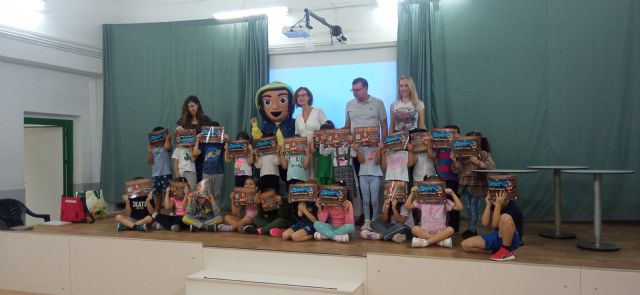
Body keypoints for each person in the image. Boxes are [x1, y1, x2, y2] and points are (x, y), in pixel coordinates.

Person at [451, 130, 495, 239]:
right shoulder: (462, 154)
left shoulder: (483, 154)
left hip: (477, 186)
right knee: (468, 208)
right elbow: (456, 170)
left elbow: (492, 167)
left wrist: (478, 162)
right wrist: (455, 160)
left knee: (473, 208)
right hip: (465, 185)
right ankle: (471, 228)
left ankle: (472, 230)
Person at [461, 191, 523, 261]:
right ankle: (499, 250)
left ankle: (506, 250)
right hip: (498, 236)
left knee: (505, 217)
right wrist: (488, 204)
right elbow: (485, 223)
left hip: (511, 239)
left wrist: (498, 205)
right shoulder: (495, 205)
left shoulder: (513, 208)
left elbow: (495, 224)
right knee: (465, 245)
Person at [407, 179, 463, 248]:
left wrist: (452, 193)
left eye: (436, 188)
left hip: (440, 232)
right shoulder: (422, 200)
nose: (433, 191)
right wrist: (412, 193)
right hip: (425, 232)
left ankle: (426, 242)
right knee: (414, 229)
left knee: (450, 230)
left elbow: (460, 207)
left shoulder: (444, 202)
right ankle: (440, 241)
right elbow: (408, 206)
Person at [175, 95, 215, 182]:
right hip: (189, 159)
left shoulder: (206, 120)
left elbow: (213, 135)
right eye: (188, 107)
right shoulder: (183, 121)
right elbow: (178, 137)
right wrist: (178, 129)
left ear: (198, 105)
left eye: (192, 106)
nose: (190, 109)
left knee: (202, 183)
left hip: (203, 156)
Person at [432, 124, 461, 232]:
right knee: (441, 205)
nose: (451, 135)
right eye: (448, 133)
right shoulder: (440, 144)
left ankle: (454, 228)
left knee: (454, 204)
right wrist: (431, 143)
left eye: (454, 133)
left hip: (454, 179)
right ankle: (440, 227)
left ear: (458, 135)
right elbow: (432, 156)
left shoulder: (460, 146)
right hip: (441, 179)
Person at [294, 87, 327, 179]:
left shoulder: (318, 111)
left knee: (319, 176)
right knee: (307, 177)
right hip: (305, 152)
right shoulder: (297, 117)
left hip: (319, 149)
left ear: (309, 97)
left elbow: (326, 129)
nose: (301, 98)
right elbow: (297, 135)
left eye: (303, 95)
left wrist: (318, 142)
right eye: (298, 96)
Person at [192, 121, 226, 205]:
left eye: (215, 131)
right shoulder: (204, 144)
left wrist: (227, 139)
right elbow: (195, 153)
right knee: (205, 195)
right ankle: (206, 213)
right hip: (206, 172)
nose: (212, 134)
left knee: (217, 194)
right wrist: (197, 140)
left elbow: (230, 150)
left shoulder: (221, 143)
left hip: (219, 172)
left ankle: (216, 213)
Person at [353, 142, 383, 231]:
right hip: (363, 175)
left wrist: (379, 149)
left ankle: (374, 220)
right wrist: (358, 150)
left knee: (374, 200)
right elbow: (361, 161)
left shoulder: (378, 146)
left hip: (375, 175)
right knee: (365, 200)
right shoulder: (362, 148)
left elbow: (377, 161)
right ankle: (367, 220)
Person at [146, 126, 173, 214]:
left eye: (160, 136)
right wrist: (150, 150)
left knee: (169, 194)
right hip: (155, 175)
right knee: (157, 194)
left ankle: (172, 212)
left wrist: (168, 139)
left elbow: (167, 148)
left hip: (166, 174)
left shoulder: (167, 146)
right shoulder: (152, 149)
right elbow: (149, 162)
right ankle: (157, 212)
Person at [315, 121, 335, 185]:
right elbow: (313, 150)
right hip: (320, 171)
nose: (325, 136)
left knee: (330, 190)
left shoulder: (334, 145)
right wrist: (313, 139)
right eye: (323, 133)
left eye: (328, 133)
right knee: (321, 190)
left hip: (331, 172)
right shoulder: (318, 143)